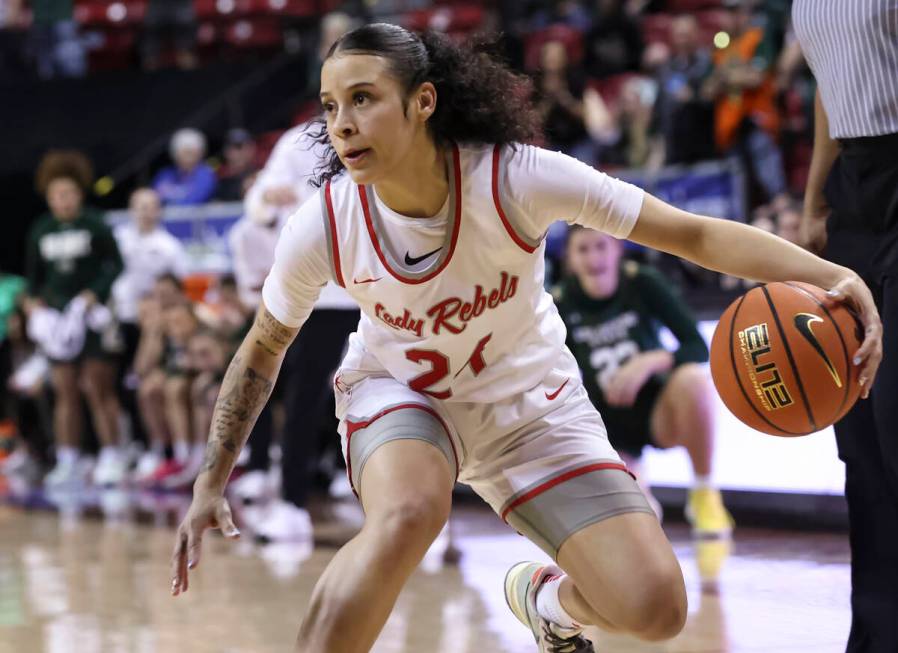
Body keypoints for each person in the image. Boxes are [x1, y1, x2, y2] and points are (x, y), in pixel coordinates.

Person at [171, 24, 882, 653]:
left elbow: (690, 233)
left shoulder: (514, 177)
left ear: (424, 102)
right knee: (411, 513)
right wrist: (211, 479)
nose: (342, 124)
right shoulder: (324, 222)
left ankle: (545, 600)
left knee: (657, 607)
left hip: (531, 405)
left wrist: (830, 274)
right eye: (329, 107)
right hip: (404, 396)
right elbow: (263, 346)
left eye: (364, 98)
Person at [792, 3, 898, 651]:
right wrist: (813, 203)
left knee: (894, 415)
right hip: (855, 187)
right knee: (859, 433)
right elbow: (833, 89)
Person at [556, 226, 730, 534]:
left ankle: (704, 492)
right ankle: (636, 489)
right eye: (583, 249)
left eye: (601, 246)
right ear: (570, 258)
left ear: (617, 249)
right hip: (605, 423)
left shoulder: (642, 282)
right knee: (639, 525)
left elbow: (698, 346)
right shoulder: (560, 301)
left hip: (656, 409)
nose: (594, 257)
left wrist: (652, 360)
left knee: (694, 379)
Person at [25, 150, 126, 487]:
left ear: (79, 194)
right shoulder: (41, 229)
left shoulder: (95, 224)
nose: (63, 200)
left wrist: (93, 293)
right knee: (64, 388)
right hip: (58, 320)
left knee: (96, 385)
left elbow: (116, 265)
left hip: (91, 316)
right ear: (49, 198)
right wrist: (34, 306)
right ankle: (68, 458)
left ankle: (112, 455)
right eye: (56, 195)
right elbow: (34, 278)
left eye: (68, 194)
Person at [152, 128, 217, 206]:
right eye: (185, 151)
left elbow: (193, 201)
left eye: (191, 151)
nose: (188, 156)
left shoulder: (206, 175)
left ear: (200, 153)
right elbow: (154, 200)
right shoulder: (165, 174)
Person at [215, 129, 258, 202]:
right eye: (238, 146)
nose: (244, 151)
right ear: (227, 151)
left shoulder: (261, 175)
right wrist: (241, 190)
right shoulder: (218, 177)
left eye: (248, 146)